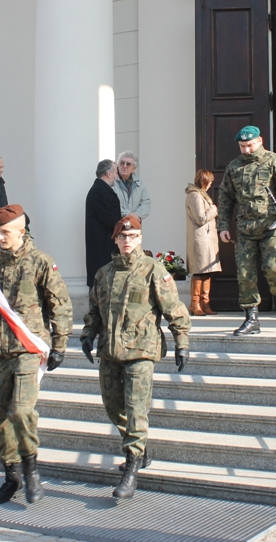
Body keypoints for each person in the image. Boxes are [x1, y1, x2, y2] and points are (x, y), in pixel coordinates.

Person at [0, 204, 72, 505]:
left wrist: (60, 345)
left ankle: (31, 470)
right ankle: (11, 478)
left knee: (21, 412)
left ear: (21, 231)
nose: (1, 236)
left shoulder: (40, 262)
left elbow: (60, 305)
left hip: (27, 349)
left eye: (6, 232)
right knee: (0, 418)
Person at [80, 215, 191, 499]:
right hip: (110, 350)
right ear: (115, 240)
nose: (127, 241)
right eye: (122, 237)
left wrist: (182, 342)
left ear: (140, 238)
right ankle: (140, 447)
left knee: (136, 406)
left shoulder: (153, 270)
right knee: (112, 405)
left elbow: (173, 308)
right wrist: (88, 334)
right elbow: (94, 310)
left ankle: (132, 467)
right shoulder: (104, 273)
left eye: (133, 236)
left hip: (141, 349)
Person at [217, 125, 276, 335]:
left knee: (273, 267)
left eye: (250, 145)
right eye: (242, 146)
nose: (246, 150)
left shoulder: (275, 162)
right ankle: (251, 318)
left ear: (260, 141)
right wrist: (223, 226)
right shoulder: (234, 167)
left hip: (272, 226)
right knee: (245, 274)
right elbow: (225, 198)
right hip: (245, 229)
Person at [185, 169, 220, 316]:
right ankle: (195, 304)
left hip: (207, 239)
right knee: (199, 272)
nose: (211, 185)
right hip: (200, 239)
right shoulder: (195, 196)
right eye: (210, 181)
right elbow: (200, 218)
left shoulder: (201, 195)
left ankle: (205, 303)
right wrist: (213, 210)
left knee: (207, 272)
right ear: (204, 181)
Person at [85, 160, 122, 288]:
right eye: (116, 172)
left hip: (103, 247)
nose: (117, 176)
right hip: (103, 248)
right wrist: (127, 224)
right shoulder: (100, 191)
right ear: (108, 173)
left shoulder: (101, 190)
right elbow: (112, 220)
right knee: (102, 286)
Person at [113, 151, 151, 221]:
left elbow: (146, 203)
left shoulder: (139, 183)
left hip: (133, 226)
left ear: (134, 169)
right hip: (115, 225)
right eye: (122, 163)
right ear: (118, 165)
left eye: (128, 164)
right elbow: (111, 203)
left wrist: (137, 216)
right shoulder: (112, 181)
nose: (124, 166)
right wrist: (129, 214)